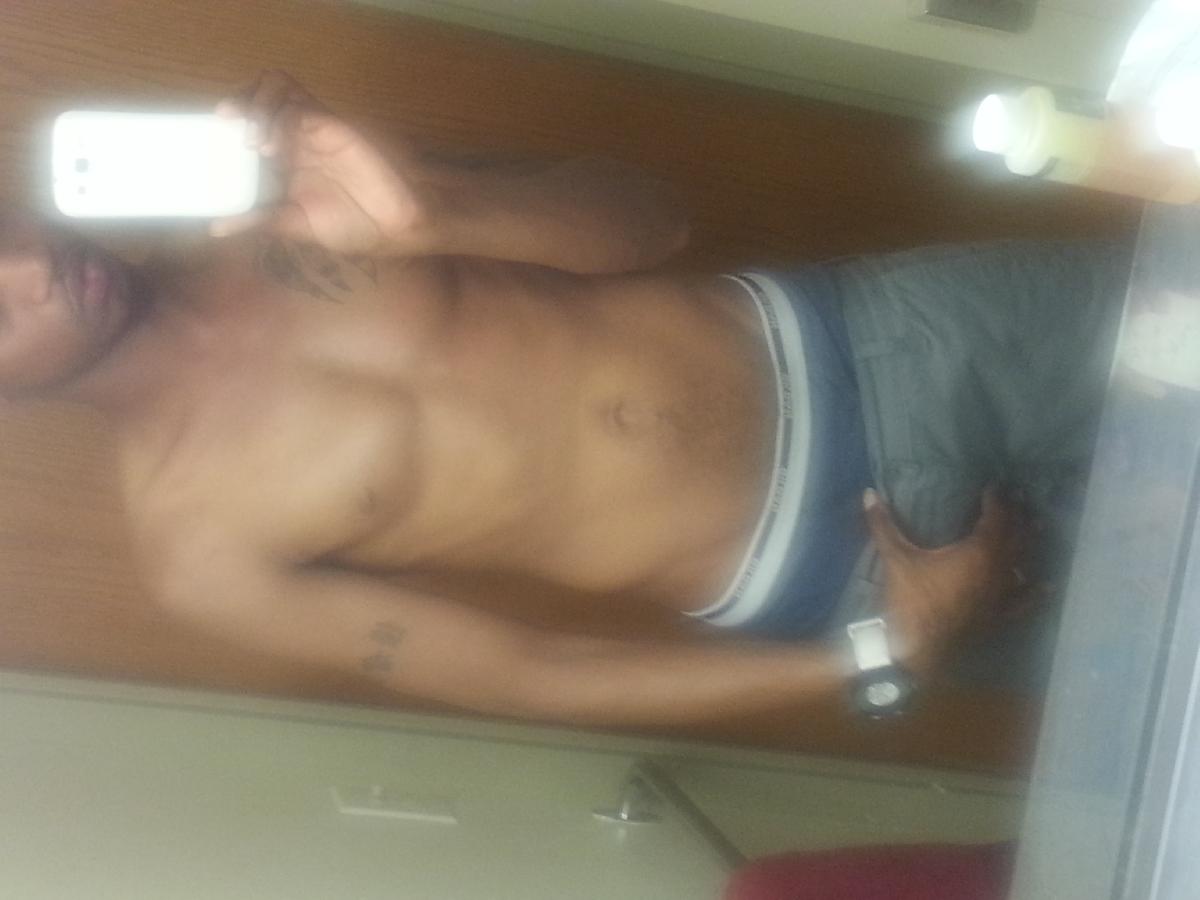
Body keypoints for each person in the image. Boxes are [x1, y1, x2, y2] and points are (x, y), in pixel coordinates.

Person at [0, 72, 1131, 726]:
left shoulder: (275, 199)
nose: (36, 268)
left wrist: (428, 210)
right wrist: (884, 653)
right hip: (852, 571)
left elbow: (652, 219)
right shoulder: (197, 548)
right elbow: (529, 674)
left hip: (891, 338)